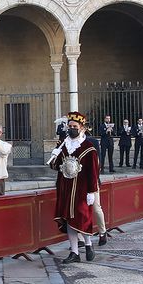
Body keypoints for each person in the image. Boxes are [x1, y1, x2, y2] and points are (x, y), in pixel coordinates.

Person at [49, 110, 102, 263]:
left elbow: (93, 172)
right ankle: (74, 252)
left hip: (81, 189)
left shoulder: (89, 148)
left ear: (82, 128)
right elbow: (55, 166)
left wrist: (92, 191)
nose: (71, 128)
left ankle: (88, 244)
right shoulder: (64, 146)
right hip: (66, 188)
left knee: (82, 217)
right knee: (69, 220)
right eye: (69, 126)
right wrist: (55, 154)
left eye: (74, 126)